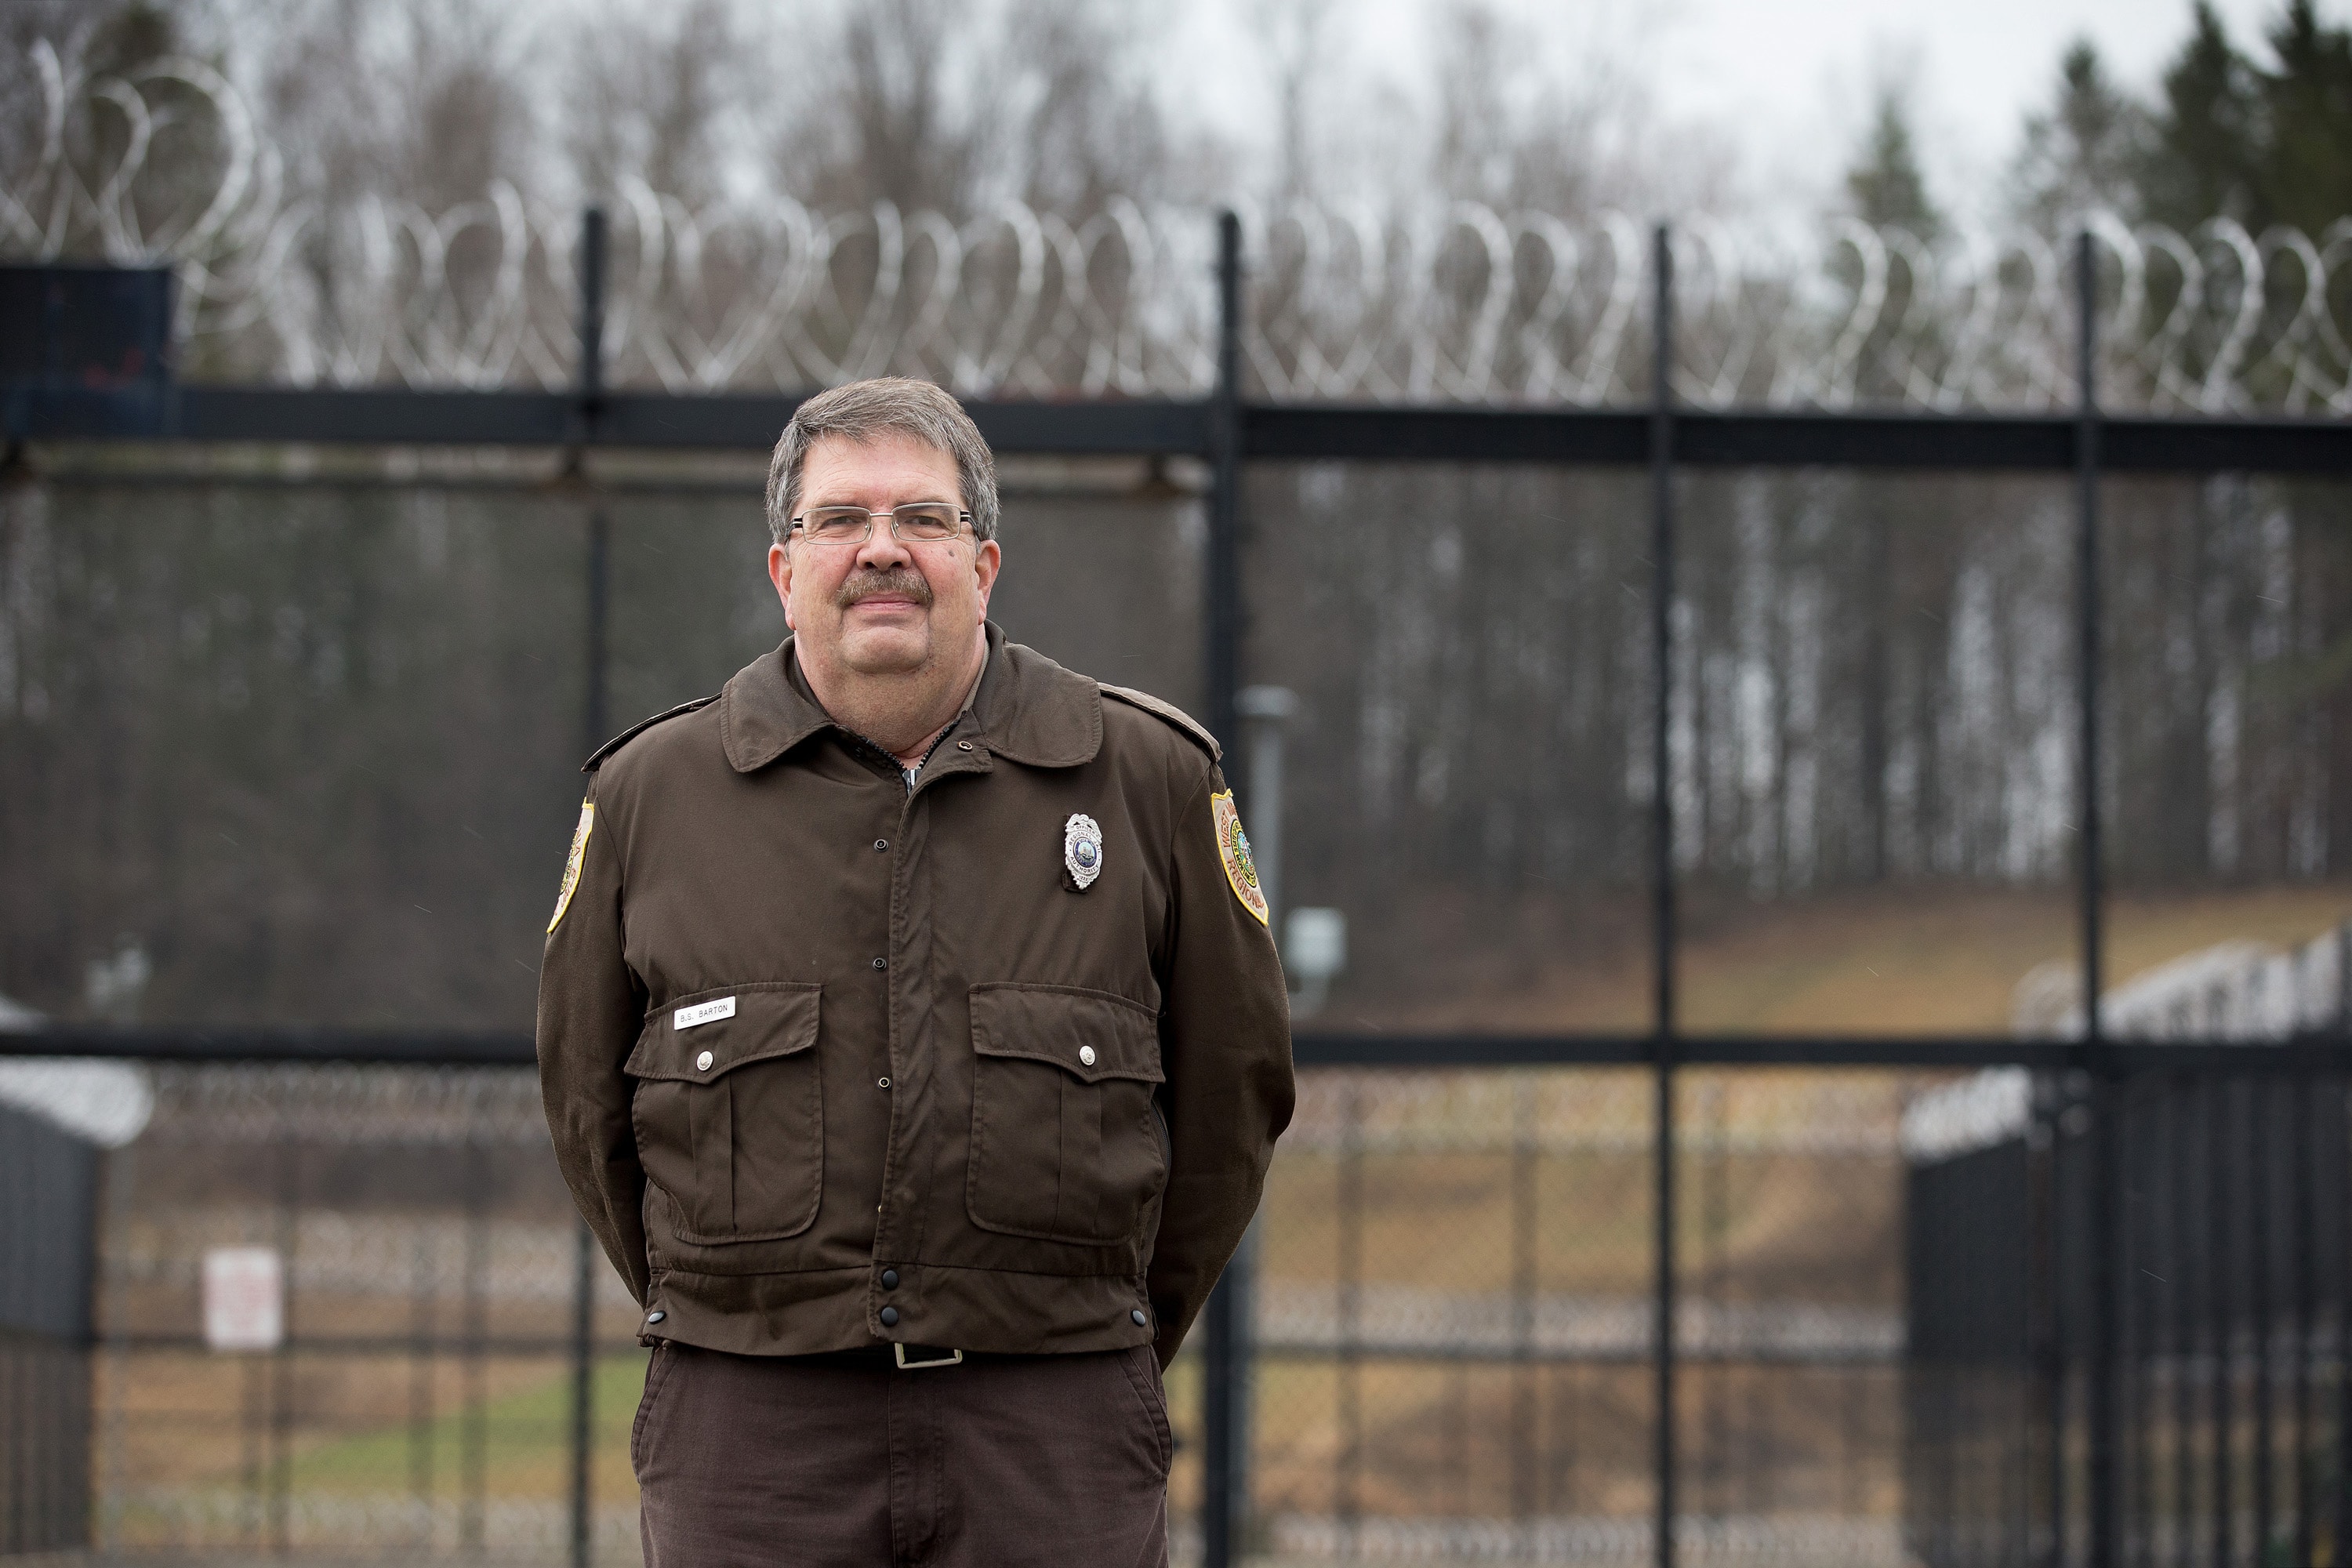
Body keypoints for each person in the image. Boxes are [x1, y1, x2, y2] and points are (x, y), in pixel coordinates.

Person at [536, 376, 1294, 1566]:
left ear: (983, 565)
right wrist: (746, 1308)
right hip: (752, 1436)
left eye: (923, 520)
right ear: (784, 572)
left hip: (1052, 1431)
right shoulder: (651, 797)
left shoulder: (1145, 778)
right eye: (840, 520)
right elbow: (587, 1106)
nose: (880, 550)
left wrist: (1100, 1335)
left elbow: (1233, 1095)